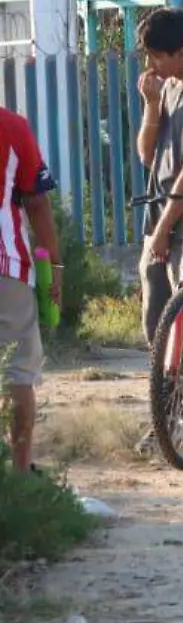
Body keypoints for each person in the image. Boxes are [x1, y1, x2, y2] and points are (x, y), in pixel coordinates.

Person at [135, 8, 183, 348]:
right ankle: (164, 394)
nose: (152, 64)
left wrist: (167, 228)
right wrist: (151, 105)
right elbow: (146, 155)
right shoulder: (165, 88)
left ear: (182, 52)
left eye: (158, 56)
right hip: (158, 215)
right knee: (155, 316)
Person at [0, 109, 59, 474]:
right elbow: (37, 203)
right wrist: (55, 267)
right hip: (6, 263)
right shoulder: (11, 125)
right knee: (18, 372)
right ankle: (20, 476)